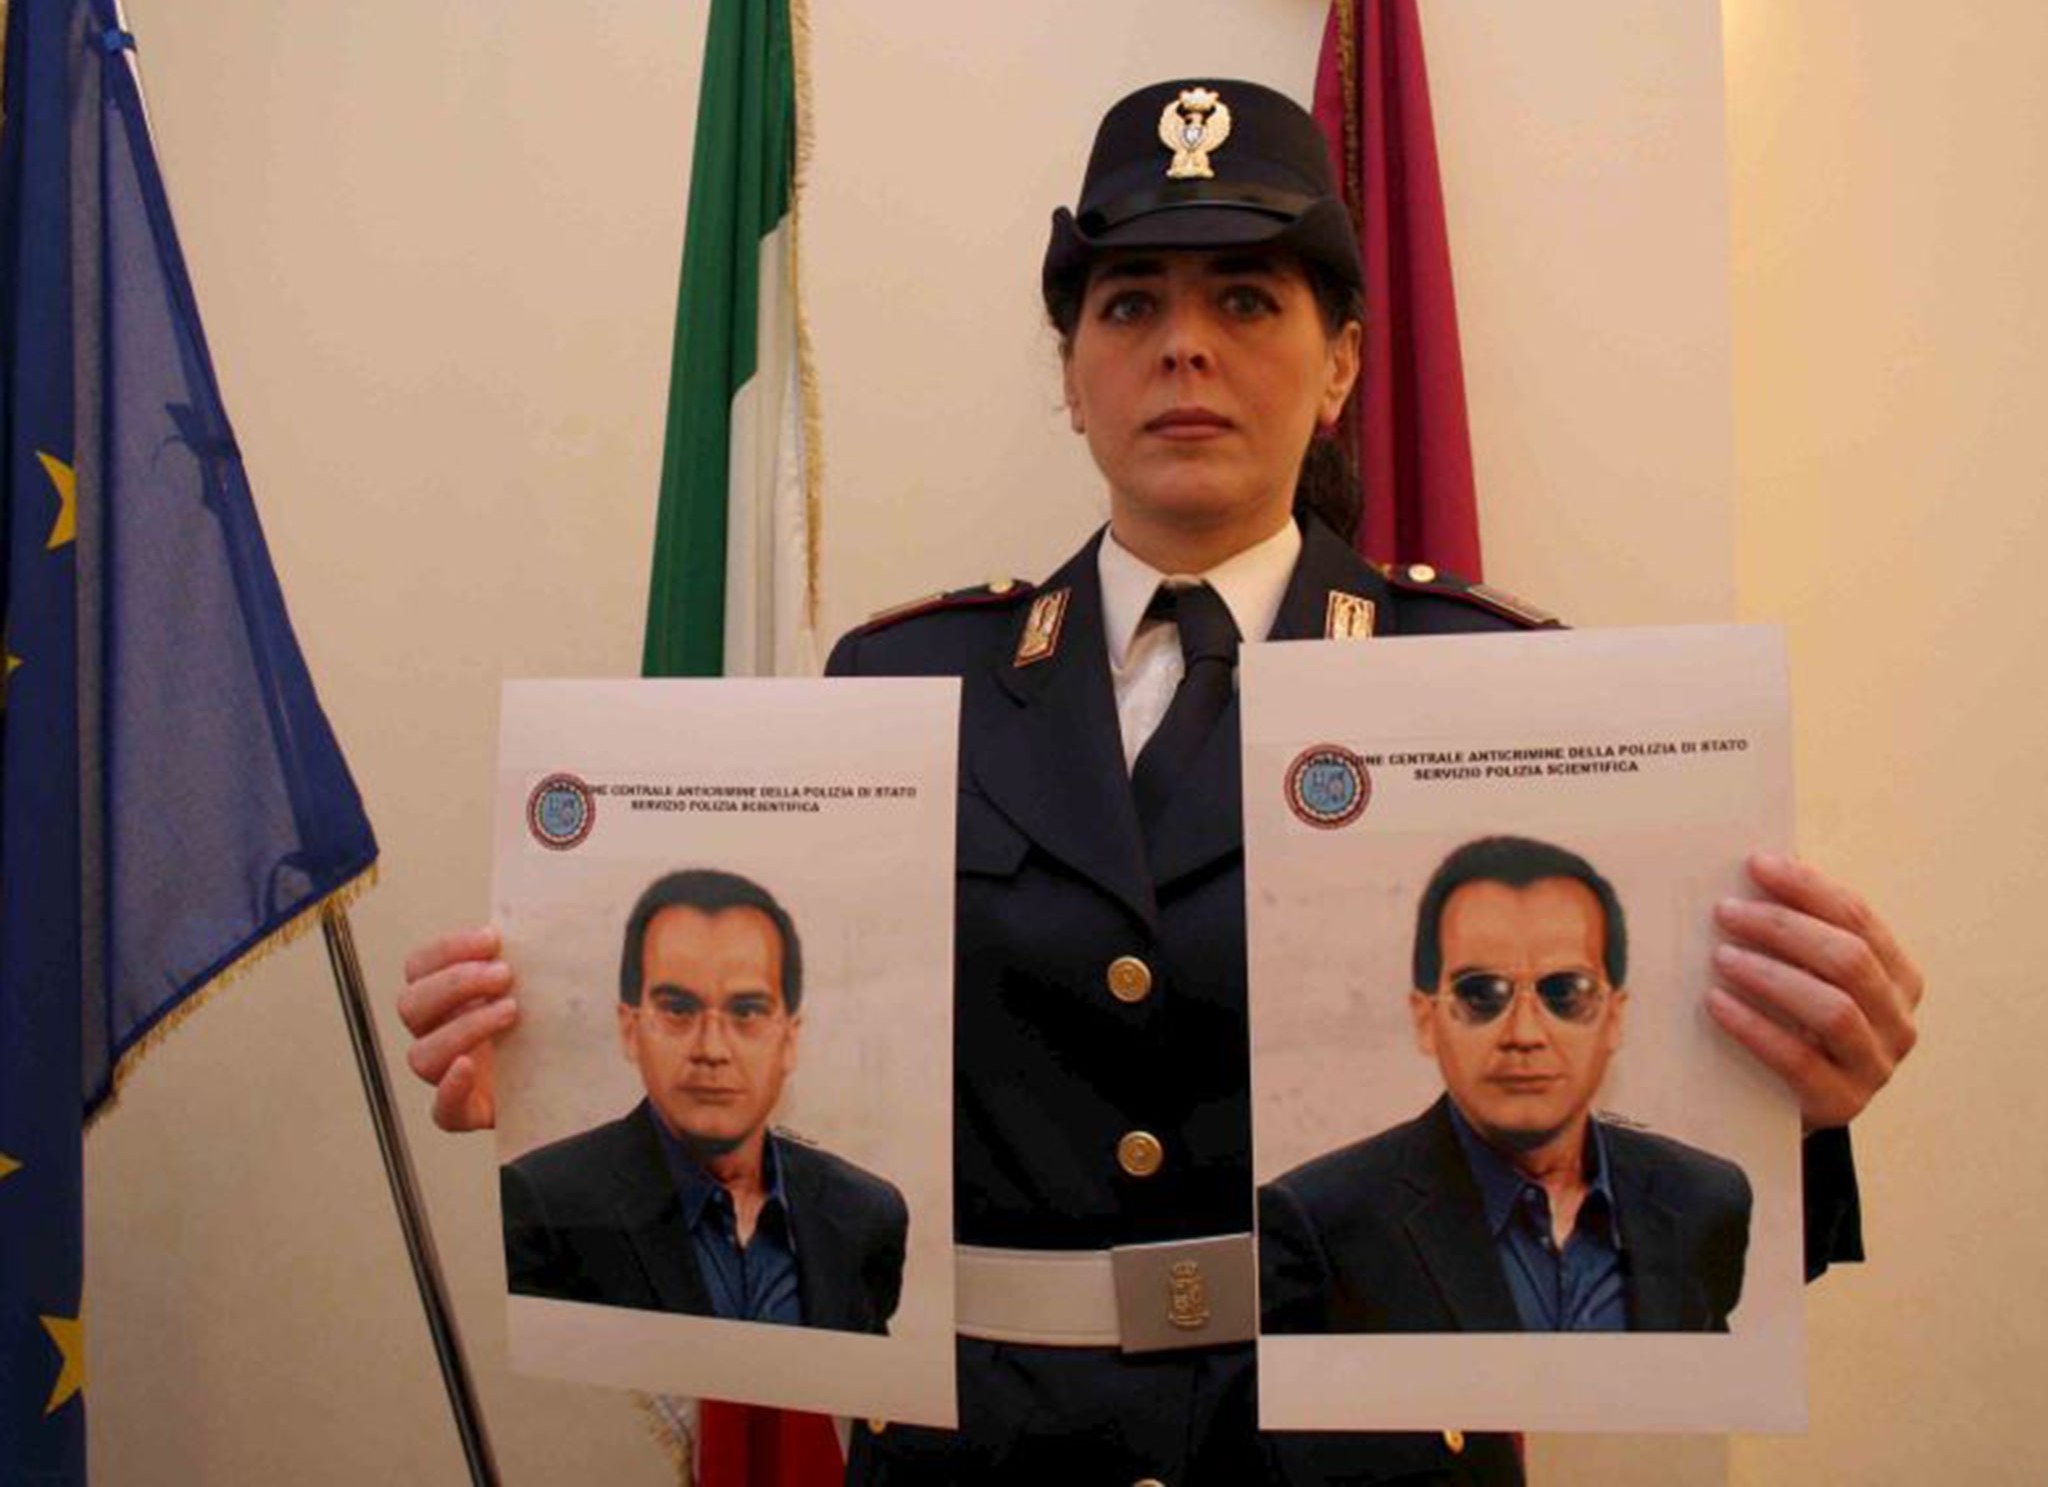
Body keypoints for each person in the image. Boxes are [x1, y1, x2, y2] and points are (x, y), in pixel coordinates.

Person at [399, 78, 1924, 1484]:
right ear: (1071, 374)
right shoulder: (901, 689)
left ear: (1340, 365)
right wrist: (540, 1071)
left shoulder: (1487, 688)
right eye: (1131, 303)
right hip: (980, 1452)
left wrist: (1799, 1094)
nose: (1183, 346)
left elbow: (1678, 1203)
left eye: (1247, 299)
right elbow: (799, 1096)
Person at [1260, 835, 1752, 1338]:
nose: (1524, 1034)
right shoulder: (1322, 1222)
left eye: (1566, 992)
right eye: (1481, 994)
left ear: (1614, 1017)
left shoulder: (1705, 1198)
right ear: (1426, 1019)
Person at [499, 869, 908, 1335]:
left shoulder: (866, 1213)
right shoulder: (546, 1205)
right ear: (631, 1030)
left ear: (790, 1040)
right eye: (678, 1009)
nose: (712, 1049)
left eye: (747, 1012)